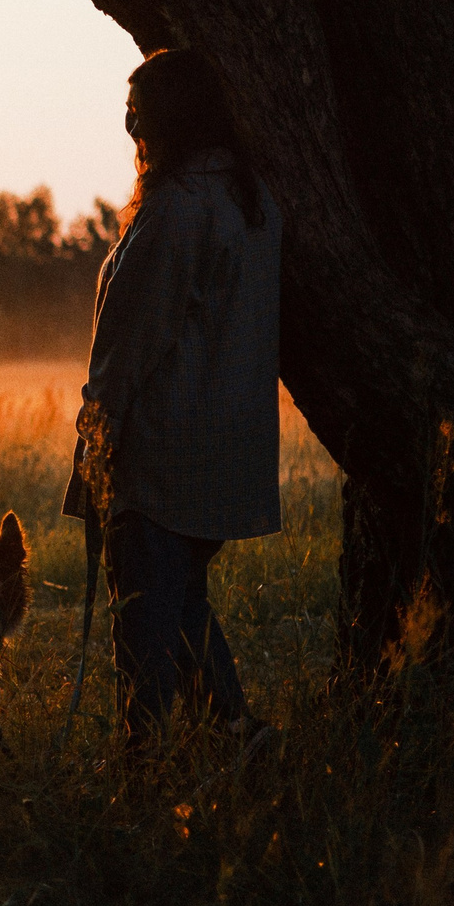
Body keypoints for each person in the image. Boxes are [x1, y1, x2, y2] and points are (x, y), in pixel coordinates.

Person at [61, 48, 282, 751]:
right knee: (183, 605)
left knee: (146, 623)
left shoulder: (177, 210)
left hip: (161, 450)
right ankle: (240, 738)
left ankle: (145, 759)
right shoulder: (252, 202)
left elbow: (130, 342)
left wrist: (98, 435)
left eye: (139, 112)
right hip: (225, 449)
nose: (131, 126)